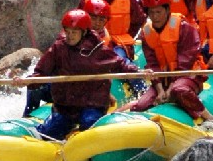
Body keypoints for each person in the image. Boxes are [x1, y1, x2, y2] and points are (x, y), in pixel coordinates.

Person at [14, 9, 143, 140]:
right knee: (49, 132)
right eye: (67, 31)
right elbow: (41, 72)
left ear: (84, 32)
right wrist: (28, 81)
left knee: (89, 123)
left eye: (74, 32)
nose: (70, 36)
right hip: (65, 106)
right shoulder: (58, 49)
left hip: (92, 104)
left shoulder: (98, 49)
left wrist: (138, 73)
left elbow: (120, 64)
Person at [121, 0, 213, 125]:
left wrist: (170, 89)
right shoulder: (146, 33)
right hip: (163, 80)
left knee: (179, 90)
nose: (155, 16)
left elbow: (185, 62)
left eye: (159, 12)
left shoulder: (184, 27)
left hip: (188, 75)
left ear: (167, 10)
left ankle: (209, 118)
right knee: (142, 106)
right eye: (151, 12)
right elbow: (152, 64)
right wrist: (160, 90)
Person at [83, 0, 146, 96]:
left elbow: (113, 59)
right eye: (94, 18)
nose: (97, 23)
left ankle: (142, 91)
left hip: (109, 55)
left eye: (101, 19)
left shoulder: (104, 37)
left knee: (123, 61)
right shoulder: (77, 34)